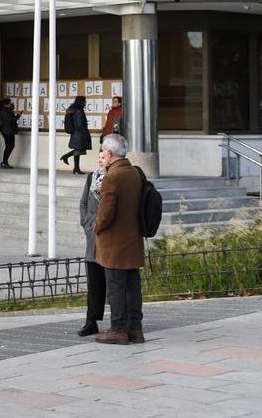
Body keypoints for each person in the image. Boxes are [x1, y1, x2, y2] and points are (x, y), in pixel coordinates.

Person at [93, 134, 146, 345]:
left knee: (115, 286)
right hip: (133, 239)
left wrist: (96, 226)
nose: (102, 154)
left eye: (103, 151)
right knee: (132, 286)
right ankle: (135, 328)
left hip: (115, 242)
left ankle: (118, 329)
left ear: (109, 153)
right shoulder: (135, 172)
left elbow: (106, 212)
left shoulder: (113, 176)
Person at [78, 162, 108, 336]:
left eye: (104, 155)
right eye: (100, 155)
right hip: (92, 236)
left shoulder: (115, 178)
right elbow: (83, 203)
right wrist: (86, 223)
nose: (101, 159)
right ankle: (91, 321)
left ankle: (120, 321)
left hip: (108, 235)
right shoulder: (92, 177)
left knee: (112, 282)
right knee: (93, 281)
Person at [61, 95, 92, 174]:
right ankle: (67, 157)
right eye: (84, 101)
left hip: (75, 133)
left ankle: (76, 168)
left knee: (78, 150)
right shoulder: (79, 110)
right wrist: (85, 132)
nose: (85, 103)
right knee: (79, 149)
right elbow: (79, 124)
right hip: (79, 133)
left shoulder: (73, 109)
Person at [0, 98, 22, 169]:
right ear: (5, 104)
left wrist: (12, 108)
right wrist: (18, 115)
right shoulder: (4, 111)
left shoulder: (7, 110)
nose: (11, 104)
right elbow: (11, 120)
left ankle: (5, 162)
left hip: (9, 131)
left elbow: (12, 110)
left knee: (10, 146)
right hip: (7, 131)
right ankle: (4, 162)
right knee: (9, 146)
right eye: (9, 103)